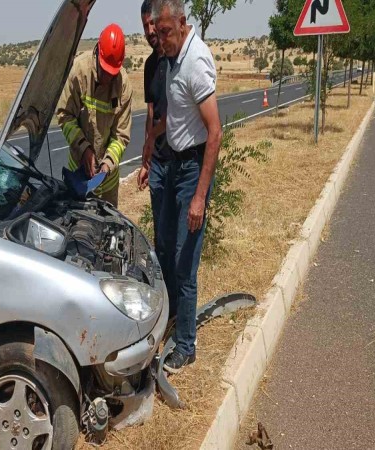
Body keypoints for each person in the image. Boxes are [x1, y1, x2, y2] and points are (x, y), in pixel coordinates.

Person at [146, 0, 223, 373]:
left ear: (182, 22)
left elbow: (215, 132)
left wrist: (199, 197)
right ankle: (174, 322)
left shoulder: (195, 62)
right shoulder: (173, 57)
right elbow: (171, 118)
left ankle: (187, 345)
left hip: (192, 171)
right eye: (157, 33)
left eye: (165, 32)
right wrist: (148, 153)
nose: (160, 40)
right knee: (164, 250)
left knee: (183, 262)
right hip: (173, 166)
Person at [56, 23, 133, 207]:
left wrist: (106, 165)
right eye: (105, 71)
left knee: (109, 230)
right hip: (78, 175)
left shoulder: (123, 85)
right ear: (97, 52)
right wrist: (84, 149)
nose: (108, 78)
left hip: (108, 182)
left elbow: (121, 136)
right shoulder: (79, 72)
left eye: (112, 74)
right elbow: (64, 116)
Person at [138, 0, 176, 316]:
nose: (150, 32)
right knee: (160, 238)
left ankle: (178, 303)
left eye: (153, 25)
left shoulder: (177, 59)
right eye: (145, 27)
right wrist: (145, 159)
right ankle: (165, 304)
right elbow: (151, 113)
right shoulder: (151, 65)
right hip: (160, 162)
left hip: (181, 161)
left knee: (177, 239)